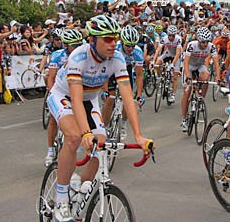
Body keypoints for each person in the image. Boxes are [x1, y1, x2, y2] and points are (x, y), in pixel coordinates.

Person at [46, 15, 153, 222]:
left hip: (90, 98)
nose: (113, 43)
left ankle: (79, 194)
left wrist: (138, 135)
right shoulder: (79, 57)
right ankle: (61, 198)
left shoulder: (118, 59)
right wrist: (86, 133)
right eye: (107, 39)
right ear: (92, 40)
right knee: (74, 137)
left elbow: (128, 98)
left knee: (101, 145)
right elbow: (76, 99)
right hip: (63, 96)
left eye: (115, 38)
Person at [44, 29, 84, 166]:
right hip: (59, 89)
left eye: (80, 44)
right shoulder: (57, 55)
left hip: (75, 90)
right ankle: (50, 150)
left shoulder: (82, 56)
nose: (78, 47)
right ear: (66, 45)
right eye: (75, 45)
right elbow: (51, 77)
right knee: (53, 120)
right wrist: (51, 94)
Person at [102, 25, 145, 142]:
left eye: (133, 45)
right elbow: (104, 70)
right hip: (111, 70)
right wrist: (105, 90)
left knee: (128, 99)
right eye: (127, 45)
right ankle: (104, 128)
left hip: (126, 70)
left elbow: (139, 75)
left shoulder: (138, 52)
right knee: (110, 98)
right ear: (121, 41)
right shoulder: (114, 49)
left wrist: (139, 94)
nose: (130, 48)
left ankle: (123, 125)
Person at [181, 27, 222, 131]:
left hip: (200, 65)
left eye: (207, 42)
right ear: (198, 40)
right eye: (203, 42)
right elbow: (185, 62)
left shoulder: (211, 47)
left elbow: (216, 63)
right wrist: (188, 76)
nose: (205, 44)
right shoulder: (192, 45)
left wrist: (218, 77)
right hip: (189, 66)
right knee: (187, 92)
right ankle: (183, 119)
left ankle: (200, 100)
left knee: (206, 78)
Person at [152, 25, 183, 103]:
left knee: (175, 76)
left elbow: (178, 53)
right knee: (157, 62)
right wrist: (153, 60)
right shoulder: (164, 39)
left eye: (173, 36)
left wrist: (172, 64)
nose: (171, 37)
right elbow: (158, 50)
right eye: (170, 35)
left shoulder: (178, 39)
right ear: (167, 34)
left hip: (176, 56)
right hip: (168, 54)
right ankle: (159, 76)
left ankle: (173, 94)